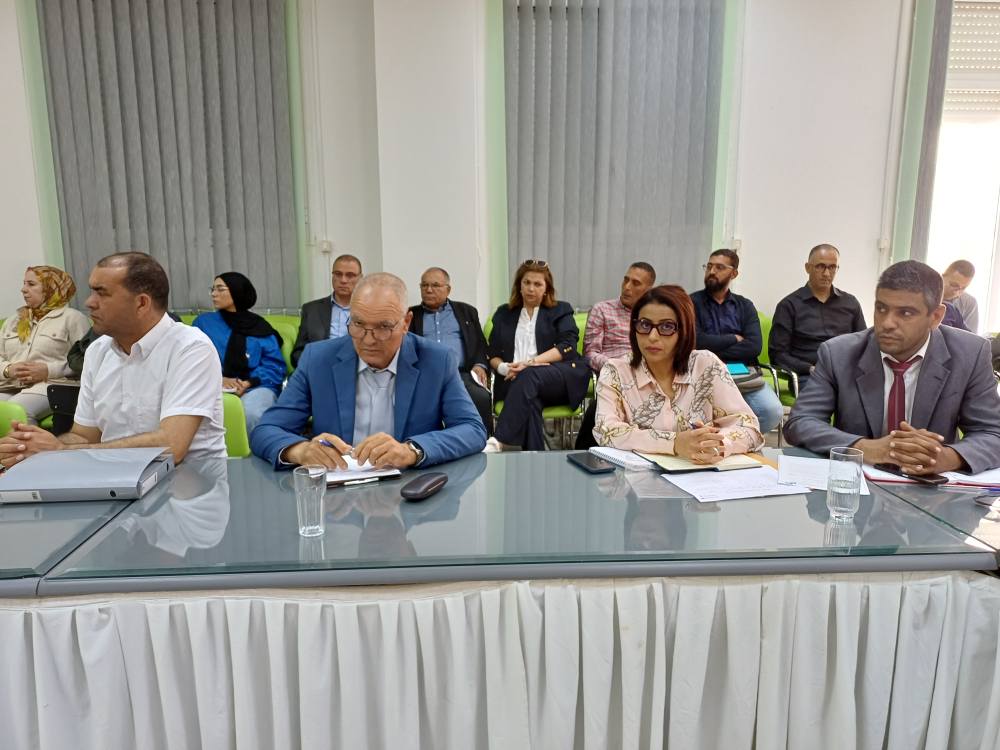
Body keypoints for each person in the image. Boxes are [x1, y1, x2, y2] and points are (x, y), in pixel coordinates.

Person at [0, 252, 226, 467]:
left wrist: (61, 451)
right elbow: (83, 436)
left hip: (189, 481)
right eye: (92, 291)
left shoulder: (190, 347)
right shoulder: (98, 351)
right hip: (116, 475)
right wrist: (37, 447)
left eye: (102, 293)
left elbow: (171, 447)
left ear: (141, 303)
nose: (89, 302)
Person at [783, 260, 1000, 475]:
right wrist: (865, 448)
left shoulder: (970, 354)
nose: (887, 323)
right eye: (881, 308)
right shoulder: (838, 353)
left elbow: (992, 433)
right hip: (860, 483)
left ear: (935, 317)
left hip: (932, 488)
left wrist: (946, 457)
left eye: (905, 313)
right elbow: (801, 422)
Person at [251, 273, 487, 469]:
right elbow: (266, 430)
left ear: (406, 323)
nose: (368, 339)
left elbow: (473, 429)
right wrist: (300, 450)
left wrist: (412, 450)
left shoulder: (436, 360)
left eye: (384, 327)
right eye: (358, 324)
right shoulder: (318, 359)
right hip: (338, 492)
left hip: (409, 488)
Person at [594, 285, 763, 460]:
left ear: (684, 331)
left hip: (700, 472)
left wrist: (714, 444)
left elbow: (750, 428)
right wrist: (674, 443)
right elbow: (605, 431)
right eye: (644, 324)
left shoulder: (706, 365)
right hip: (636, 475)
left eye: (667, 326)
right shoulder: (616, 371)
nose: (652, 336)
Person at [486, 260, 591, 451]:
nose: (531, 289)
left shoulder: (560, 310)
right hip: (515, 381)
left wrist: (530, 363)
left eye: (537, 284)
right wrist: (504, 368)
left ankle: (499, 440)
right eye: (526, 282)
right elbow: (492, 352)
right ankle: (534, 457)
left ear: (546, 289)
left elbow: (567, 346)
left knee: (529, 374)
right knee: (531, 402)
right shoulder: (504, 313)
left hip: (557, 378)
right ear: (519, 285)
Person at [690, 249, 784, 433]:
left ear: (734, 273)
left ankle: (734, 441)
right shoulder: (691, 302)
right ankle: (720, 441)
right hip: (704, 372)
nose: (712, 271)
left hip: (742, 373)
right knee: (697, 417)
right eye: (709, 266)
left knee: (771, 411)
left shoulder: (745, 306)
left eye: (719, 267)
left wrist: (712, 347)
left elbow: (754, 347)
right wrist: (733, 338)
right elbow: (696, 341)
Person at [574, 261, 657, 449]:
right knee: (602, 408)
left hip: (648, 378)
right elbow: (590, 353)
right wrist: (620, 366)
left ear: (648, 290)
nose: (627, 287)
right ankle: (585, 452)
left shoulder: (653, 316)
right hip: (613, 376)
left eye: (635, 283)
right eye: (626, 280)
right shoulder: (602, 310)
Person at [193, 272, 286, 434]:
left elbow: (274, 367)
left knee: (250, 414)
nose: (214, 294)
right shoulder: (204, 323)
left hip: (256, 386)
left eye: (220, 289)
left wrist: (247, 383)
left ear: (236, 291)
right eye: (213, 289)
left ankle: (255, 450)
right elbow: (194, 360)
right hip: (212, 386)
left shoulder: (259, 326)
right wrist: (219, 379)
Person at [769, 243, 866, 392]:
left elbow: (864, 344)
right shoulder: (789, 305)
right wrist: (809, 368)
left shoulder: (850, 303)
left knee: (873, 395)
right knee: (829, 397)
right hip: (808, 376)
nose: (826, 273)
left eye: (832, 267)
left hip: (846, 373)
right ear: (808, 268)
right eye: (820, 266)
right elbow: (778, 355)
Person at [407, 266, 493, 434]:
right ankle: (426, 443)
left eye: (435, 285)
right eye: (424, 285)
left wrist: (480, 365)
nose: (429, 290)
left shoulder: (467, 312)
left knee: (480, 397)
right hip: (425, 375)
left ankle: (483, 440)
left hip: (461, 374)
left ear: (448, 289)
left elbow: (480, 344)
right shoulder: (411, 315)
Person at [0, 266, 89, 424]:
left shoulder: (72, 318)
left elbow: (88, 361)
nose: (23, 289)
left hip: (55, 384)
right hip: (11, 385)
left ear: (50, 288)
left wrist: (49, 370)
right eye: (24, 284)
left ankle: (31, 442)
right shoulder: (13, 321)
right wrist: (8, 369)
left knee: (16, 410)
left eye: (31, 284)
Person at [291, 254, 363, 367]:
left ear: (360, 278)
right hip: (318, 368)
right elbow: (298, 352)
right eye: (338, 274)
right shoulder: (311, 309)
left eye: (350, 275)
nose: (343, 280)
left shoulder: (370, 310)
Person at [941, 260, 979, 333]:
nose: (957, 292)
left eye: (963, 288)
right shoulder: (924, 295)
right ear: (942, 277)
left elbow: (971, 336)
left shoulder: (969, 303)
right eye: (954, 285)